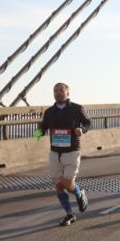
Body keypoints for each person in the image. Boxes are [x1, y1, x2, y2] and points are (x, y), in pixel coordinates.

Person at [36, 82, 92, 226]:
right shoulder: (49, 112)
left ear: (67, 93)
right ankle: (69, 214)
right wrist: (38, 133)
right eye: (55, 91)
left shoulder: (77, 109)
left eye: (61, 91)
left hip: (72, 151)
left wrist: (82, 129)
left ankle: (80, 194)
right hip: (55, 152)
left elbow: (88, 123)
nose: (57, 93)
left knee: (67, 182)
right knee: (59, 185)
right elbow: (42, 127)